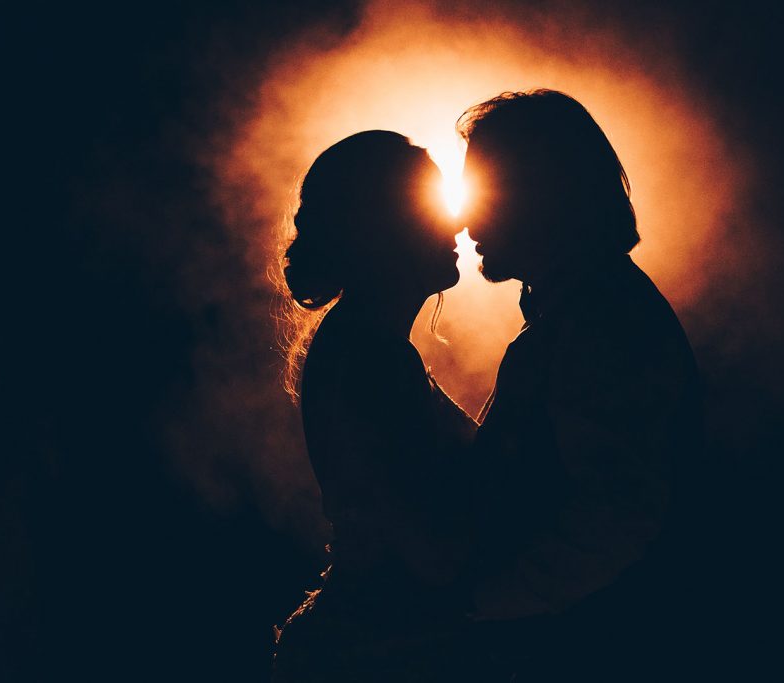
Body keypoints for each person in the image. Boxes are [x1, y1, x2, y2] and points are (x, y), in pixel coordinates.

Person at [457, 90, 704, 681]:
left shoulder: (603, 323)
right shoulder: (578, 312)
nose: (467, 220)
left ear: (543, 196)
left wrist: (476, 606)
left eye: (487, 193)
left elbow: (617, 516)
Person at [272, 130, 478, 682]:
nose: (457, 222)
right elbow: (432, 550)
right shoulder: (370, 359)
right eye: (431, 205)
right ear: (383, 229)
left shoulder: (369, 346)